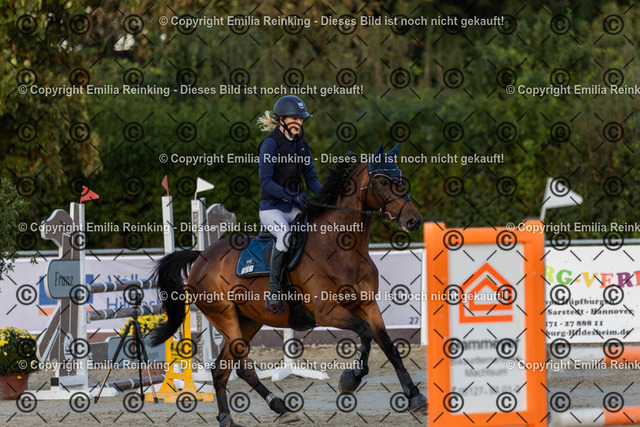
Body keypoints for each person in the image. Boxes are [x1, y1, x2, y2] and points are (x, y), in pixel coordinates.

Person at [257, 95, 322, 314]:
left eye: (301, 119)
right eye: (295, 118)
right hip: (272, 209)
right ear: (282, 119)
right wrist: (292, 197)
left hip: (294, 208)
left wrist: (327, 197)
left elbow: (311, 179)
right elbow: (266, 182)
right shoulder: (270, 144)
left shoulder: (301, 145)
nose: (299, 123)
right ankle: (274, 292)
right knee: (284, 235)